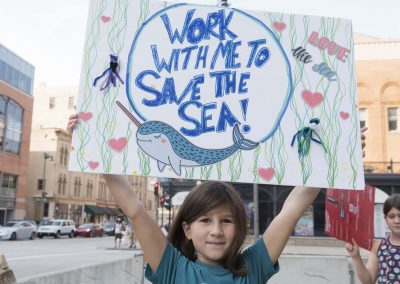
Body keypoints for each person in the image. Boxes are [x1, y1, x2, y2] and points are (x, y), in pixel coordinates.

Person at [68, 114, 367, 283]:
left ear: (239, 227)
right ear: (186, 228)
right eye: (205, 220)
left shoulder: (253, 269)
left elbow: (291, 210)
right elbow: (134, 208)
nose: (216, 230)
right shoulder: (171, 268)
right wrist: (91, 147)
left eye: (226, 220)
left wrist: (336, 158)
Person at [345, 193, 400, 284]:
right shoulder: (378, 246)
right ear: (385, 218)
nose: (397, 221)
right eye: (391, 216)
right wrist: (356, 256)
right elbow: (368, 281)